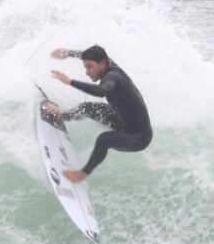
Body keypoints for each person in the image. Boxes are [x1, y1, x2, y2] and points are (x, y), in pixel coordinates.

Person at [45, 45, 152, 183]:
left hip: (138, 136)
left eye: (89, 67)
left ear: (102, 64)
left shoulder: (112, 77)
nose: (87, 72)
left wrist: (70, 81)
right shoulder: (108, 62)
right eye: (85, 67)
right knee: (87, 107)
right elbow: (90, 55)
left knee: (103, 140)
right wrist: (68, 53)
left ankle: (82, 175)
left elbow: (102, 91)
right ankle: (63, 116)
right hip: (121, 119)